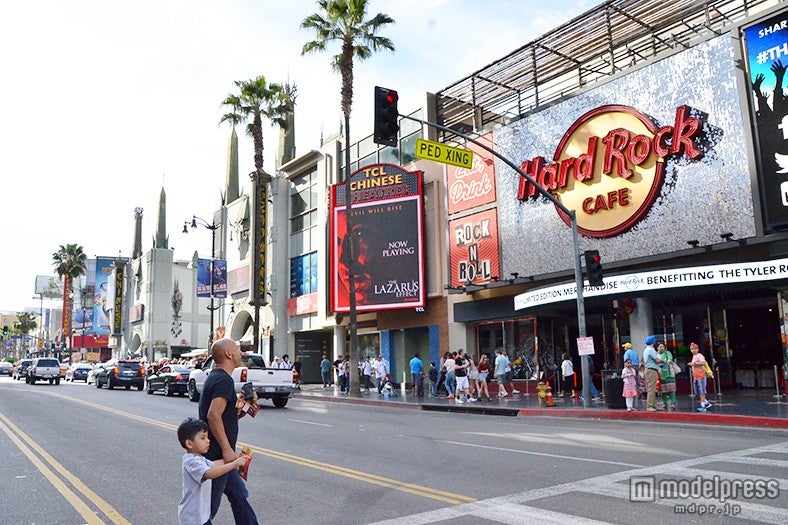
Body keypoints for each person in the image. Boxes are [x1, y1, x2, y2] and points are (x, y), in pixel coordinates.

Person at [197, 338, 258, 525]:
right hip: (217, 458)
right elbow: (213, 416)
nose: (241, 353)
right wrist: (226, 449)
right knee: (207, 511)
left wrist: (245, 407)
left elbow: (223, 417)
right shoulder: (223, 380)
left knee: (240, 496)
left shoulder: (218, 378)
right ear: (228, 354)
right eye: (238, 349)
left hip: (223, 457)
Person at [177, 417, 248, 525]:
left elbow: (213, 465)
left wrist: (235, 458)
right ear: (189, 443)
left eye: (207, 437)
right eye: (203, 438)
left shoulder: (199, 458)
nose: (208, 440)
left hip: (201, 516)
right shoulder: (191, 461)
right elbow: (209, 473)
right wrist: (234, 465)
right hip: (193, 518)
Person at [689, 342, 713, 412]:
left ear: (698, 349)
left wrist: (694, 364)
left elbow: (703, 363)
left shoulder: (699, 355)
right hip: (696, 376)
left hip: (701, 376)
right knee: (698, 391)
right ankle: (706, 403)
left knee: (702, 391)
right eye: (692, 349)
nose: (694, 350)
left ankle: (703, 405)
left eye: (695, 349)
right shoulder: (694, 357)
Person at [642, 335, 663, 412]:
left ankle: (653, 405)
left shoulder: (646, 350)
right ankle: (650, 406)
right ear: (653, 342)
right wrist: (664, 361)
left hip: (648, 369)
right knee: (652, 389)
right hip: (652, 370)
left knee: (652, 388)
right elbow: (657, 360)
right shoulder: (651, 350)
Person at [657, 342, 676, 411]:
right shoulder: (656, 354)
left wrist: (666, 361)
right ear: (657, 348)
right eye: (659, 347)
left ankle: (673, 403)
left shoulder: (667, 353)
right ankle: (665, 404)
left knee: (671, 389)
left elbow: (669, 360)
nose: (661, 348)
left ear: (664, 347)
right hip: (660, 375)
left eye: (662, 346)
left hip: (669, 374)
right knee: (663, 391)